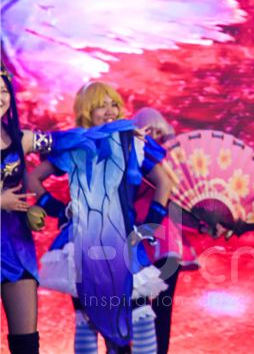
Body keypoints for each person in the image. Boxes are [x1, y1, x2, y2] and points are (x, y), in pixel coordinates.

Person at [27, 82, 174, 354]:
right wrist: (57, 209)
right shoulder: (75, 144)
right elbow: (32, 178)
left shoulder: (132, 141)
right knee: (88, 318)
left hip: (122, 240)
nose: (109, 111)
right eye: (100, 106)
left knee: (139, 315)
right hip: (84, 239)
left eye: (113, 104)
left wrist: (151, 223)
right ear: (86, 111)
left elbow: (164, 182)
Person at [132, 107, 198, 354]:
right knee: (136, 304)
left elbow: (179, 205)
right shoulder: (133, 159)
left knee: (162, 306)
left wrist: (204, 224)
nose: (154, 136)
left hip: (166, 241)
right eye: (149, 131)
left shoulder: (170, 164)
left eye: (158, 132)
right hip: (137, 239)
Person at [0, 65, 53, 354]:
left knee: (26, 344)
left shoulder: (20, 138)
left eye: (3, 91)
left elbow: (64, 142)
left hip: (15, 242)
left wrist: (117, 134)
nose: (0, 98)